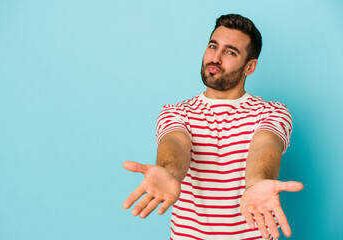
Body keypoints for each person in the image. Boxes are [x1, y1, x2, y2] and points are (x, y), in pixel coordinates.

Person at [123, 14, 304, 240]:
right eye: (212, 46)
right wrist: (169, 171)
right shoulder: (176, 112)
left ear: (250, 67)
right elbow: (176, 142)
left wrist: (257, 182)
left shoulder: (272, 112)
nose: (215, 58)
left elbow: (265, 145)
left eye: (230, 52)